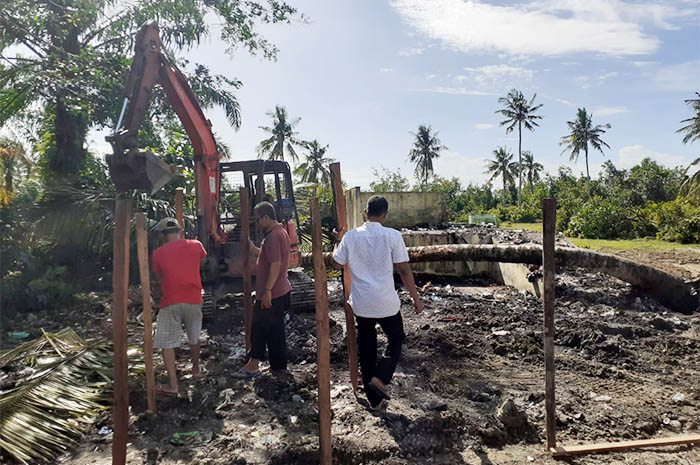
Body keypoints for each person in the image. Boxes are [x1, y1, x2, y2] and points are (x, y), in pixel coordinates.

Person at [332, 195, 423, 411]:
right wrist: (416, 298)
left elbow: (336, 264)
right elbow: (403, 269)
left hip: (362, 304)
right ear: (384, 215)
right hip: (386, 302)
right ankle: (381, 378)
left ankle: (375, 400)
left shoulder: (351, 237)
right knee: (396, 337)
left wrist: (339, 240)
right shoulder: (392, 235)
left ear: (365, 213)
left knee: (367, 349)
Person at [234, 201, 292, 379]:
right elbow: (270, 257)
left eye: (258, 219)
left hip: (272, 293)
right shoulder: (280, 231)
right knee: (275, 330)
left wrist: (267, 290)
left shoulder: (273, 236)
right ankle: (278, 366)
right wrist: (254, 249)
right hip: (281, 290)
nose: (257, 222)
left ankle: (253, 365)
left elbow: (275, 264)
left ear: (266, 217)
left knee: (259, 327)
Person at [151, 218, 207, 396]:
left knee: (167, 343)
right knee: (194, 337)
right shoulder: (196, 245)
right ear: (179, 231)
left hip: (171, 301)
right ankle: (196, 370)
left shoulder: (158, 254)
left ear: (162, 235)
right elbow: (202, 263)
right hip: (194, 298)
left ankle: (173, 386)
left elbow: (159, 278)